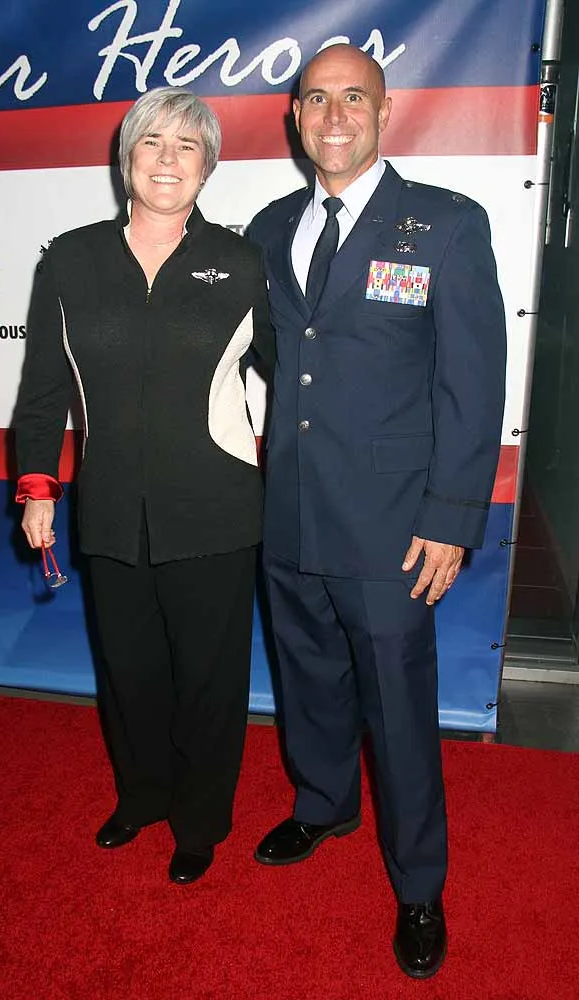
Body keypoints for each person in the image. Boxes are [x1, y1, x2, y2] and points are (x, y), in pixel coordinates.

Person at [247, 45, 506, 978]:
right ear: (295, 116)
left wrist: (451, 516)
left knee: (398, 710)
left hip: (396, 526)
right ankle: (324, 805)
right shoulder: (269, 227)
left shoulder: (446, 225)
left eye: (353, 97)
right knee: (308, 677)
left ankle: (420, 886)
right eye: (316, 99)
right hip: (291, 508)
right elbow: (275, 358)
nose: (334, 116)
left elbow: (473, 384)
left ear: (385, 111)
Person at [13, 87, 272, 886]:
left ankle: (199, 821)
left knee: (209, 680)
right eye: (151, 142)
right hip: (111, 512)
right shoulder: (70, 260)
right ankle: (143, 795)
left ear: (208, 166)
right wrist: (38, 486)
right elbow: (42, 389)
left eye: (187, 146)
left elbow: (299, 375)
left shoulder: (242, 264)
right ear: (125, 157)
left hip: (217, 512)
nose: (167, 159)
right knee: (128, 672)